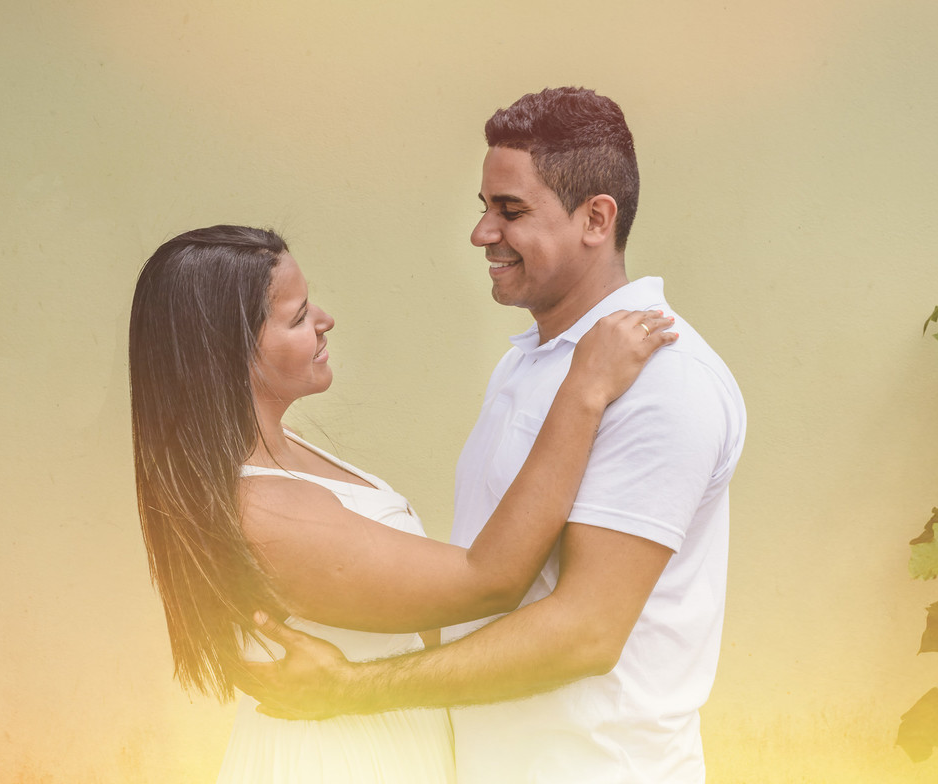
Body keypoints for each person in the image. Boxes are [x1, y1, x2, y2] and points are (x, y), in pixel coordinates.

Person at [240, 87, 748, 783]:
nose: (483, 232)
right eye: (485, 207)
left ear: (596, 218)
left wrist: (351, 690)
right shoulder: (530, 363)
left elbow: (586, 633)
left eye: (510, 211)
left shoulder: (664, 381)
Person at [128, 224, 674, 783]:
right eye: (296, 317)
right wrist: (585, 389)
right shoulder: (266, 511)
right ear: (222, 356)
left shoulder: (282, 455)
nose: (324, 319)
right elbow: (490, 579)